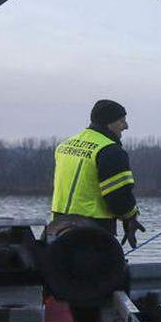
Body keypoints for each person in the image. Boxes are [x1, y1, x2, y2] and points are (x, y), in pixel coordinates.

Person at [51, 100, 146, 249]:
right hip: (93, 232)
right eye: (122, 121)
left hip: (58, 229)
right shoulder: (111, 151)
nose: (126, 126)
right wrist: (131, 217)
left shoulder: (64, 145)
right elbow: (118, 199)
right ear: (109, 122)